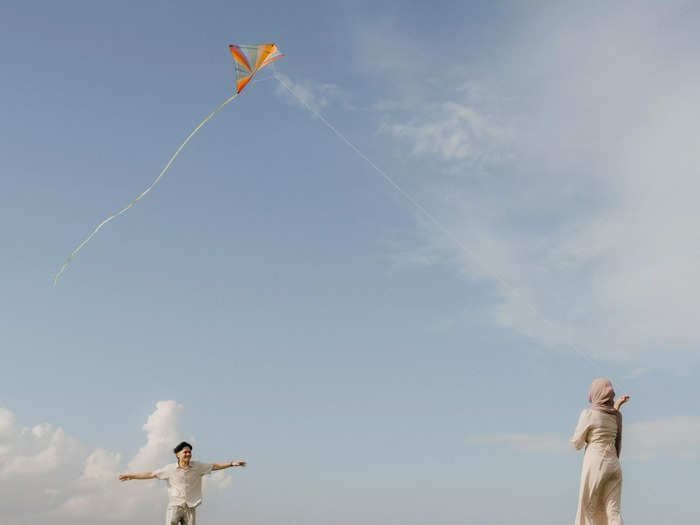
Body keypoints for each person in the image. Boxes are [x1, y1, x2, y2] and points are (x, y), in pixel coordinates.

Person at [119, 441, 246, 525]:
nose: (188, 454)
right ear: (177, 455)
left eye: (189, 452)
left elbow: (214, 466)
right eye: (185, 452)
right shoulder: (169, 469)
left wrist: (231, 464)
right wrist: (132, 476)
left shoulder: (198, 466)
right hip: (175, 506)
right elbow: (151, 474)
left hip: (191, 507)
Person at [570, 378, 630, 525]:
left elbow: (577, 443)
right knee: (613, 511)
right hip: (614, 465)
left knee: (587, 508)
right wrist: (617, 405)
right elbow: (617, 435)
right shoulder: (616, 416)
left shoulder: (589, 414)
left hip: (596, 463)